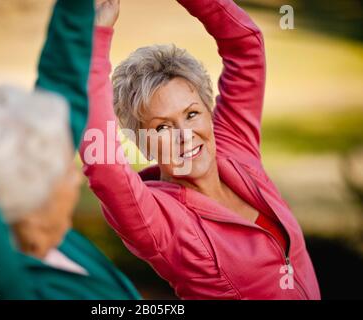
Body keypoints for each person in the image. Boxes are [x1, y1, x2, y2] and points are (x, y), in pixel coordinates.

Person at [81, 0, 321, 299]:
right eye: (162, 128)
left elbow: (246, 46)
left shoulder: (234, 147)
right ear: (142, 144)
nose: (185, 135)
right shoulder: (163, 223)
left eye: (192, 114)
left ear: (209, 112)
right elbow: (104, 166)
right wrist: (97, 36)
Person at [0, 0, 140, 299]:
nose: (76, 175)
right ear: (30, 207)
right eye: (64, 169)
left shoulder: (41, 233)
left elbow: (62, 87)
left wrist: (76, 9)